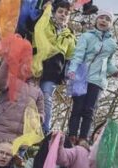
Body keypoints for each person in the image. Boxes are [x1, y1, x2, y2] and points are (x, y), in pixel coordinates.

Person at [66, 11, 118, 143]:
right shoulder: (86, 36)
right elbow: (78, 54)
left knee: (90, 110)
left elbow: (109, 62)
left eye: (107, 19)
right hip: (82, 76)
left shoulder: (112, 44)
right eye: (101, 18)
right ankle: (72, 134)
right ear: (96, 20)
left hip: (98, 80)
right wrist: (72, 70)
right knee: (77, 108)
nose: (104, 21)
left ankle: (84, 137)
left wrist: (114, 71)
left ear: (110, 24)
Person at [31, 0, 76, 134]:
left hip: (53, 71)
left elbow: (70, 57)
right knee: (30, 96)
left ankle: (44, 128)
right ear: (54, 12)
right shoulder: (44, 22)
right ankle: (27, 125)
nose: (63, 15)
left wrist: (65, 76)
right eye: (60, 12)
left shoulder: (69, 35)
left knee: (46, 96)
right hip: (37, 65)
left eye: (66, 13)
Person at [0, 61, 45, 144]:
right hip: (1, 134)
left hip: (22, 140)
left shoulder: (37, 91)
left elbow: (41, 113)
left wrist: (38, 118)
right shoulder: (10, 79)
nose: (28, 68)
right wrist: (7, 62)